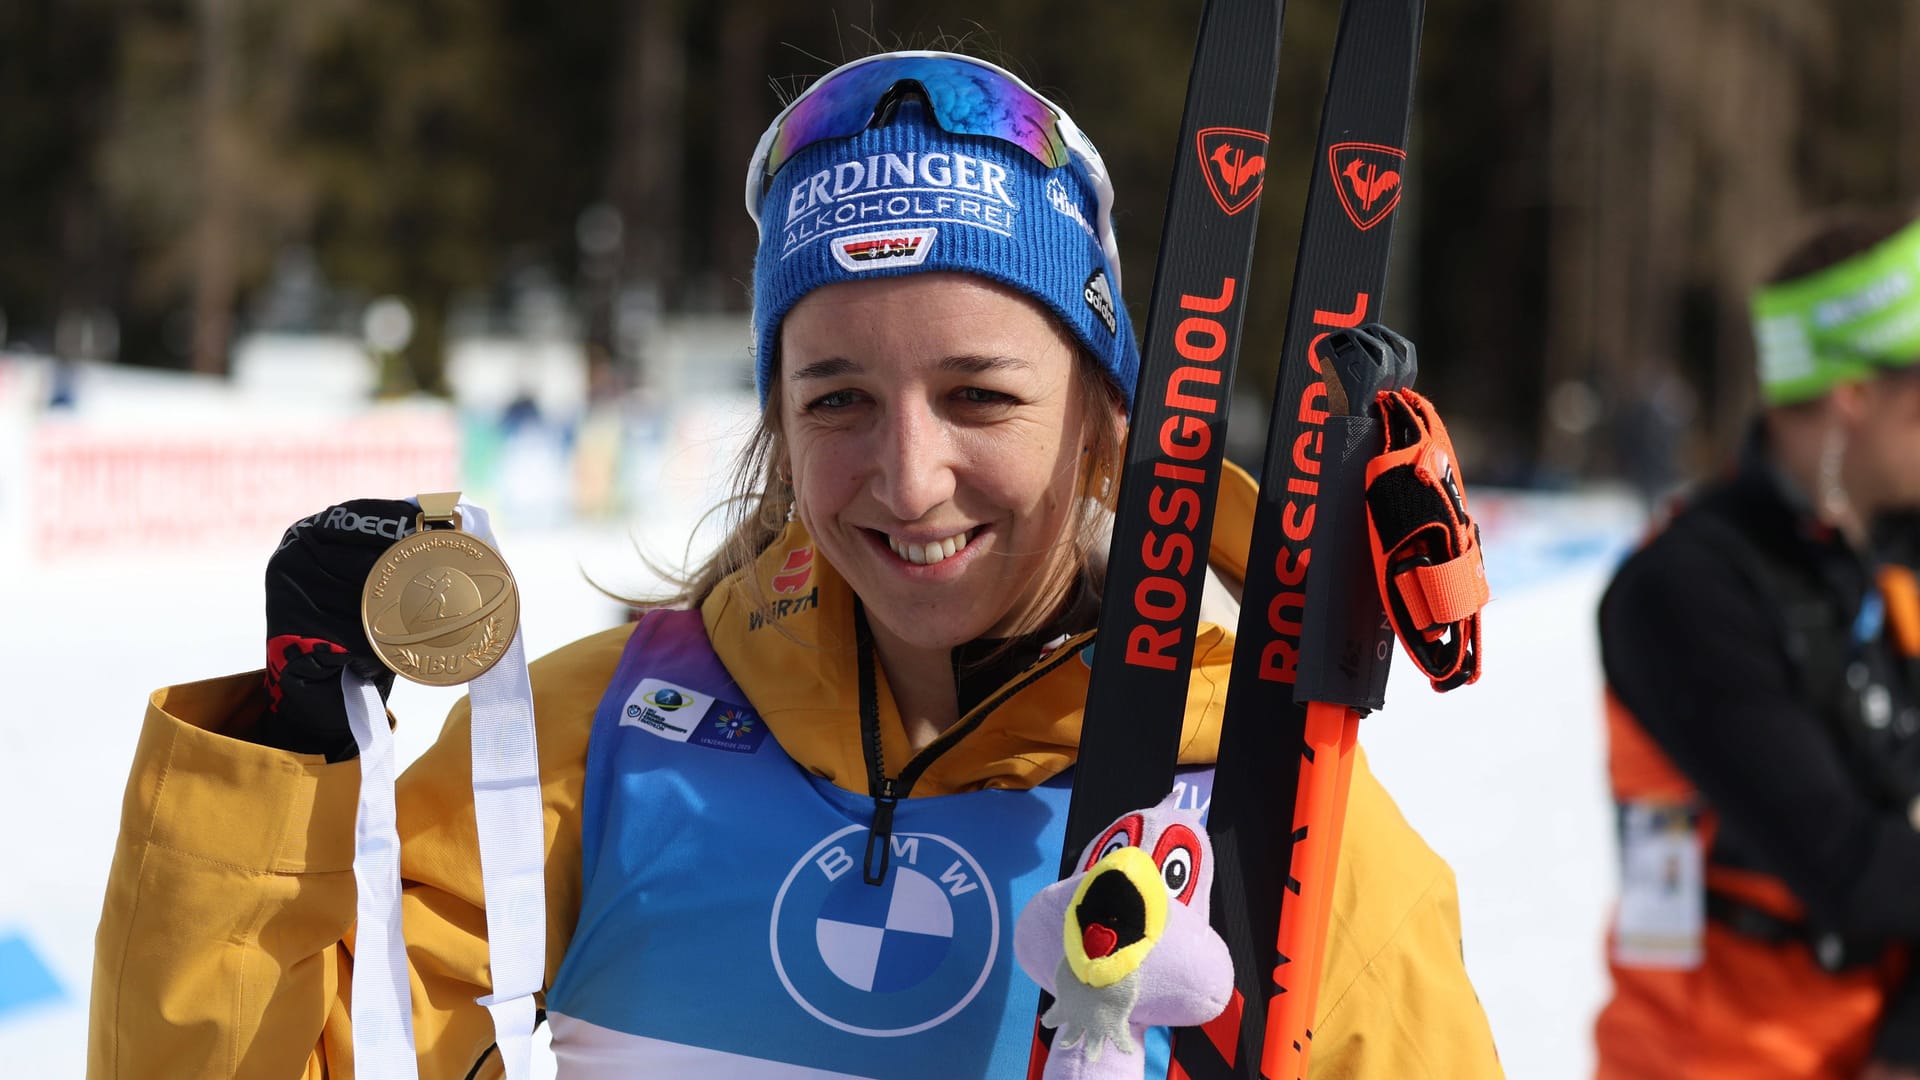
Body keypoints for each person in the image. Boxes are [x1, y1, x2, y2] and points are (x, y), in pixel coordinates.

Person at [87, 51, 1499, 1078]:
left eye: (980, 395)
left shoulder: (1265, 813)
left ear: (1108, 417)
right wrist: (283, 749)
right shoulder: (599, 744)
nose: (906, 475)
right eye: (834, 397)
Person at [1595, 208, 1920, 1078]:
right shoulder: (1683, 592)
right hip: (1714, 1056)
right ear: (1853, 396)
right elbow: (1847, 866)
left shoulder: (1897, 544)